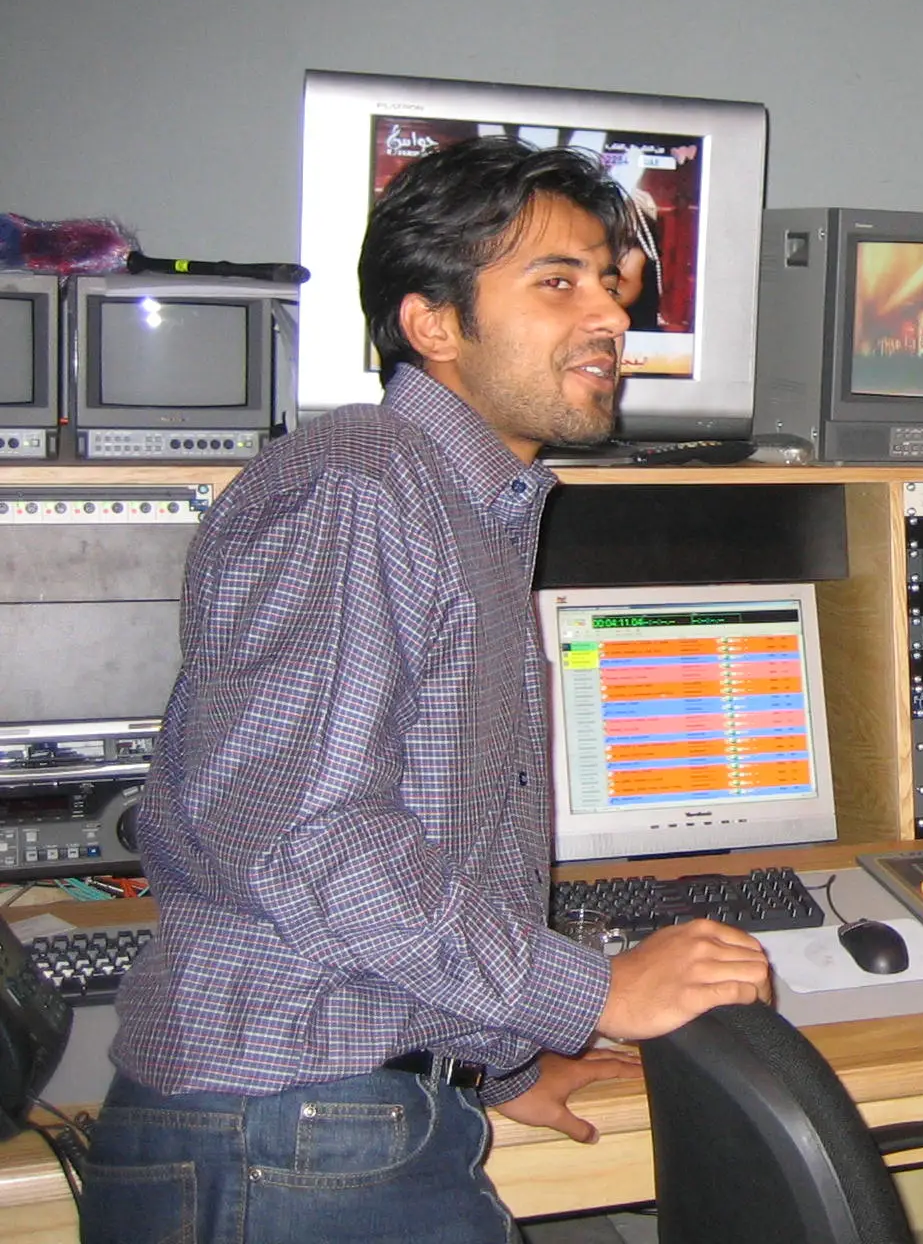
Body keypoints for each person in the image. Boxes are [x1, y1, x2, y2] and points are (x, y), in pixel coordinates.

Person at [80, 137, 772, 1244]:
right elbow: (306, 839)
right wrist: (593, 993)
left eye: (608, 282)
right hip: (287, 1131)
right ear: (433, 324)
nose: (611, 316)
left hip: (336, 1115)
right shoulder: (358, 484)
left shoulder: (464, 502)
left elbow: (437, 834)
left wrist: (499, 1066)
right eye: (558, 282)